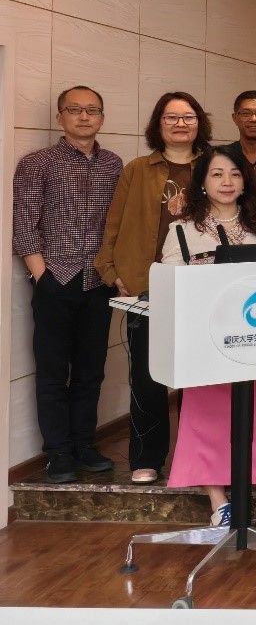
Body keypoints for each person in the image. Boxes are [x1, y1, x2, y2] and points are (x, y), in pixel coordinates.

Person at [160, 148, 256, 527]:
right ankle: (218, 501)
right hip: (205, 343)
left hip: (254, 339)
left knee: (252, 414)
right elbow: (170, 285)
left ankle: (246, 489)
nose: (227, 182)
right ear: (202, 182)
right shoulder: (182, 229)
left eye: (234, 173)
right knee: (205, 418)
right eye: (217, 174)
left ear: (245, 181)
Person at [96, 91, 212, 484]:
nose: (180, 124)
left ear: (199, 122)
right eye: (171, 117)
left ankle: (200, 458)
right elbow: (114, 222)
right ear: (158, 124)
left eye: (188, 117)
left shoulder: (213, 166)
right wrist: (109, 269)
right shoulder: (137, 169)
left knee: (200, 377)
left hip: (201, 284)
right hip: (146, 283)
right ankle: (146, 458)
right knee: (147, 376)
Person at [12, 86, 122, 483]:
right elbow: (24, 223)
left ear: (102, 117)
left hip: (98, 281)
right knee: (53, 371)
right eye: (74, 110)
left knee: (91, 370)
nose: (84, 116)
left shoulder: (114, 164)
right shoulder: (37, 163)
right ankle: (57, 453)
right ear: (60, 117)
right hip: (55, 280)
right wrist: (41, 275)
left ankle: (83, 444)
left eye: (92, 110)